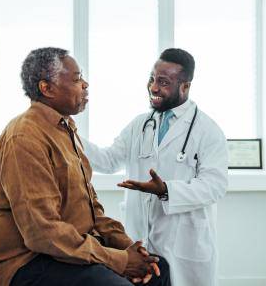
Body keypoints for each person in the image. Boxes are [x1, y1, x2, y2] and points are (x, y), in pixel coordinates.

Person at [0, 47, 171, 286]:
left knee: (156, 268)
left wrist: (129, 249)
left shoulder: (66, 128)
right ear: (46, 88)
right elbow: (43, 233)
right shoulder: (24, 138)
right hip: (27, 262)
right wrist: (118, 260)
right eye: (76, 79)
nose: (85, 84)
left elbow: (92, 210)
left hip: (66, 251)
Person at [82, 48, 228, 286]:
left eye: (163, 82)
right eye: (151, 79)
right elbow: (108, 161)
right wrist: (70, 131)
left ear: (185, 86)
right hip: (140, 240)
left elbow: (215, 186)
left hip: (184, 244)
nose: (153, 87)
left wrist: (166, 190)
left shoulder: (208, 131)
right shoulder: (141, 124)